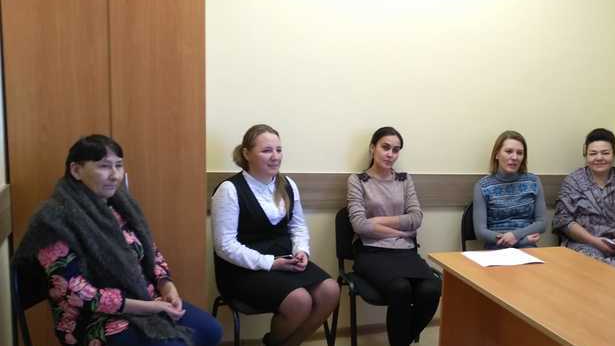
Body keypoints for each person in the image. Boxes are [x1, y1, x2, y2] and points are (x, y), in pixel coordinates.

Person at [13, 135, 222, 346]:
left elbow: (151, 252)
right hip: (90, 318)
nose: (115, 175)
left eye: (119, 166)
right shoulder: (53, 221)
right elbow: (76, 292)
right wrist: (149, 307)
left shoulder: (121, 206)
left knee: (210, 330)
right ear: (76, 170)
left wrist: (167, 286)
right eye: (104, 166)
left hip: (145, 299)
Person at [211, 124, 339, 346]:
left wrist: (301, 251)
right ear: (246, 154)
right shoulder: (229, 190)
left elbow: (298, 227)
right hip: (244, 270)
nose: (275, 156)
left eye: (279, 150)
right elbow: (225, 245)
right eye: (267, 150)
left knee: (331, 290)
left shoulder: (288, 184)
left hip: (285, 260)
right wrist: (269, 263)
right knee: (300, 301)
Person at [346, 126, 441, 346]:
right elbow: (360, 226)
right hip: (371, 252)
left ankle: (401, 342)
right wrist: (400, 229)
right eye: (385, 147)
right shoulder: (357, 180)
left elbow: (416, 218)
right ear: (373, 148)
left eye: (395, 150)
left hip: (404, 251)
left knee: (432, 289)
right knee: (400, 288)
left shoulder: (404, 180)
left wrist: (378, 221)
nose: (390, 154)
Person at [552, 128, 615, 277]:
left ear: (613, 154)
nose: (599, 158)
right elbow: (563, 220)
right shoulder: (573, 182)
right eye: (593, 153)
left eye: (605, 153)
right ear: (586, 155)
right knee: (596, 273)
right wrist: (594, 241)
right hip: (584, 244)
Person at [472, 130, 546, 249]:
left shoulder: (533, 181)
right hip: (496, 249)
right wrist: (520, 241)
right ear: (497, 154)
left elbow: (542, 223)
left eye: (520, 153)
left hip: (528, 248)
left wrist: (515, 235)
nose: (514, 157)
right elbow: (480, 232)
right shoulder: (482, 186)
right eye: (509, 151)